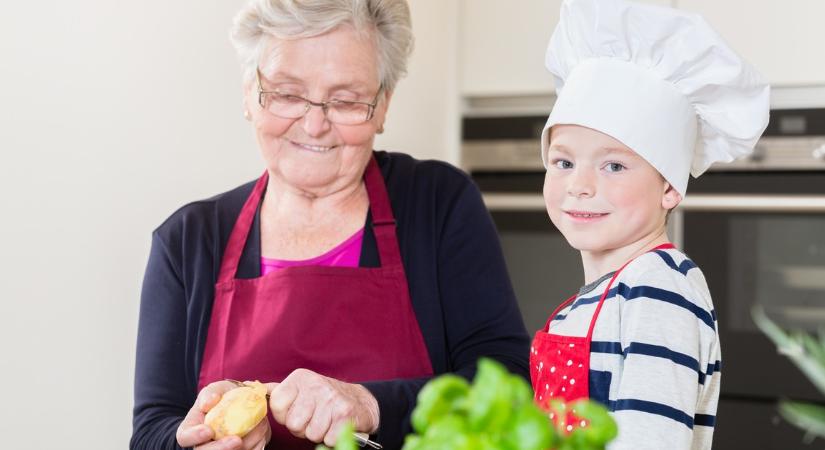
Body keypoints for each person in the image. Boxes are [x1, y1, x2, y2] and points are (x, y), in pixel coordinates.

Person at [130, 1, 530, 449]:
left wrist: (370, 405)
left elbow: (508, 379)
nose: (315, 124)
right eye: (286, 93)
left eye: (345, 100)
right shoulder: (188, 242)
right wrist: (195, 439)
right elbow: (151, 432)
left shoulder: (438, 204)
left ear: (382, 107)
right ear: (249, 94)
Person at [529, 0, 769, 449]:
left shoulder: (658, 289)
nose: (579, 185)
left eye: (614, 166)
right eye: (563, 160)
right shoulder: (607, 293)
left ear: (670, 188)